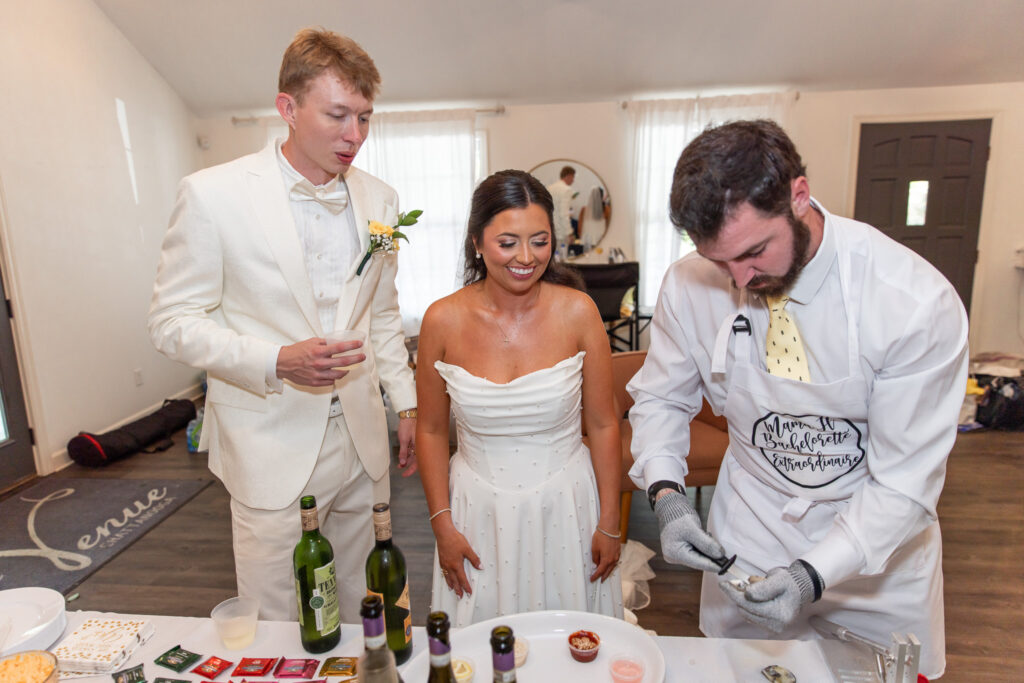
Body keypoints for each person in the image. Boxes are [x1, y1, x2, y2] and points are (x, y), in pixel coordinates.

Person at [628, 120, 967, 678]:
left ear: (798, 196)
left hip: (874, 561)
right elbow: (661, 399)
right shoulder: (689, 285)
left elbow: (905, 483)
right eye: (719, 260)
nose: (740, 276)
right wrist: (666, 494)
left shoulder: (912, 302)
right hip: (751, 534)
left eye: (754, 251)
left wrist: (812, 573)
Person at [148, 28, 417, 622]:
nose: (355, 136)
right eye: (339, 115)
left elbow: (382, 312)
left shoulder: (381, 200)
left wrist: (405, 404)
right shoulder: (211, 195)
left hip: (362, 439)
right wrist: (275, 361)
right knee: (275, 614)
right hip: (268, 442)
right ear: (287, 109)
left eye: (366, 118)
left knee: (361, 603)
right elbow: (171, 322)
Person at [416, 170, 623, 626]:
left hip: (566, 505)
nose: (525, 258)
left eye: (539, 241)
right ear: (477, 242)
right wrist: (441, 523)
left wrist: (610, 520)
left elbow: (605, 424)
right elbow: (430, 430)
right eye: (507, 242)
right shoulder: (441, 320)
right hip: (476, 510)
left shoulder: (578, 312)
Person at [546, 165, 576, 246]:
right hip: (561, 232)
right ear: (569, 176)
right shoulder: (566, 190)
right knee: (562, 256)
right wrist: (569, 233)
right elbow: (564, 214)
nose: (573, 180)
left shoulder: (550, 188)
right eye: (573, 177)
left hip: (549, 230)